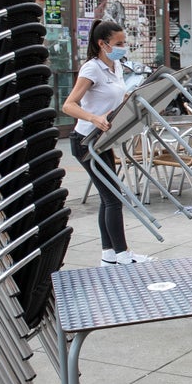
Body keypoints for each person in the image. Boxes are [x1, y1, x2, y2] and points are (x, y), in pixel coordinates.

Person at [62, 19, 155, 266]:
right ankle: (122, 254)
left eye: (124, 43)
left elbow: (114, 98)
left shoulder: (116, 66)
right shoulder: (91, 69)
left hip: (102, 141)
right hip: (86, 140)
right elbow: (68, 105)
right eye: (119, 43)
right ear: (103, 44)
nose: (123, 47)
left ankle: (109, 254)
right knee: (113, 198)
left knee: (108, 198)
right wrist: (94, 117)